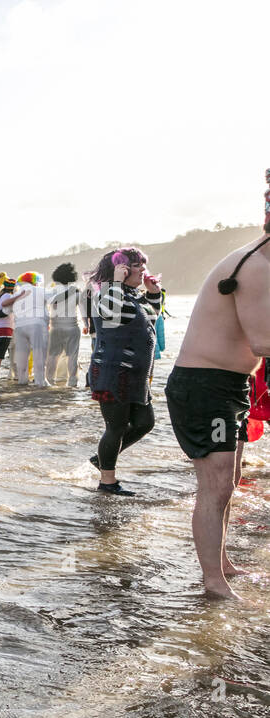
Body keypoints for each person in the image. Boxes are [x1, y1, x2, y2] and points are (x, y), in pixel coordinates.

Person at [164, 227, 270, 598]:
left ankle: (222, 565)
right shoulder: (255, 266)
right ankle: (213, 582)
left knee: (229, 480)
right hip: (204, 386)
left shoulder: (259, 260)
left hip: (230, 386)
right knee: (216, 485)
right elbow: (262, 341)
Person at [86, 247, 161, 496]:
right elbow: (109, 312)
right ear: (123, 269)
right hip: (111, 372)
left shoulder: (131, 295)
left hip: (135, 376)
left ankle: (102, 459)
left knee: (145, 422)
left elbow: (151, 320)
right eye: (138, 265)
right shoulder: (107, 293)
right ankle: (107, 482)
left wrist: (153, 293)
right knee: (116, 427)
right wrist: (116, 282)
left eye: (143, 265)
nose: (143, 270)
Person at [45, 263, 83, 386]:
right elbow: (83, 311)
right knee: (72, 356)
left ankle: (49, 380)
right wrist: (87, 324)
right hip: (72, 326)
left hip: (55, 327)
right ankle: (72, 381)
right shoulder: (76, 292)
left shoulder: (52, 291)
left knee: (52, 355)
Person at [9, 271, 49, 386]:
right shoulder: (40, 290)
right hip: (37, 324)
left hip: (19, 327)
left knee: (21, 356)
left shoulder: (16, 293)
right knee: (39, 354)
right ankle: (40, 382)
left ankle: (22, 381)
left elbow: (6, 311)